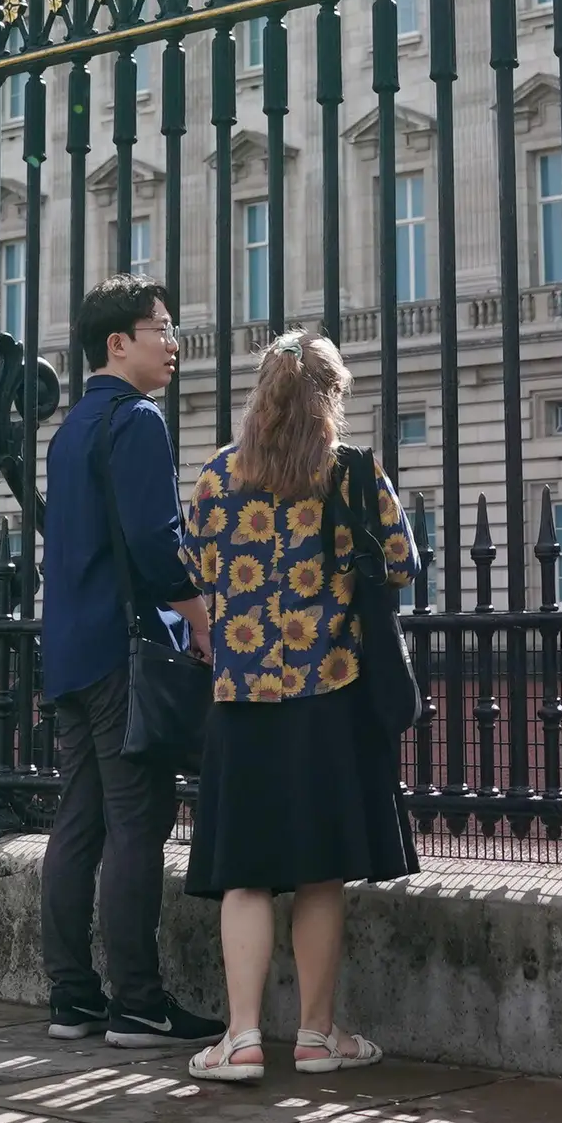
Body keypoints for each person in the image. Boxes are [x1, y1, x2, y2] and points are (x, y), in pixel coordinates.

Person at [174, 327, 417, 1083]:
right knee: (319, 875)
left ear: (261, 393)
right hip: (330, 697)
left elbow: (189, 567)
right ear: (331, 397)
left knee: (243, 876)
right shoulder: (352, 474)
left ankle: (242, 1038)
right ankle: (316, 1036)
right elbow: (405, 566)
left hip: (243, 700)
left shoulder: (218, 477)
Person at [38, 279, 221, 1051]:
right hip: (123, 649)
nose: (173, 344)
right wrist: (199, 612)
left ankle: (72, 996)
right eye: (162, 329)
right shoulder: (137, 420)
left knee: (76, 826)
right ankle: (138, 1002)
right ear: (120, 343)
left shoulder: (70, 427)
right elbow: (154, 540)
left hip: (71, 649)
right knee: (136, 823)